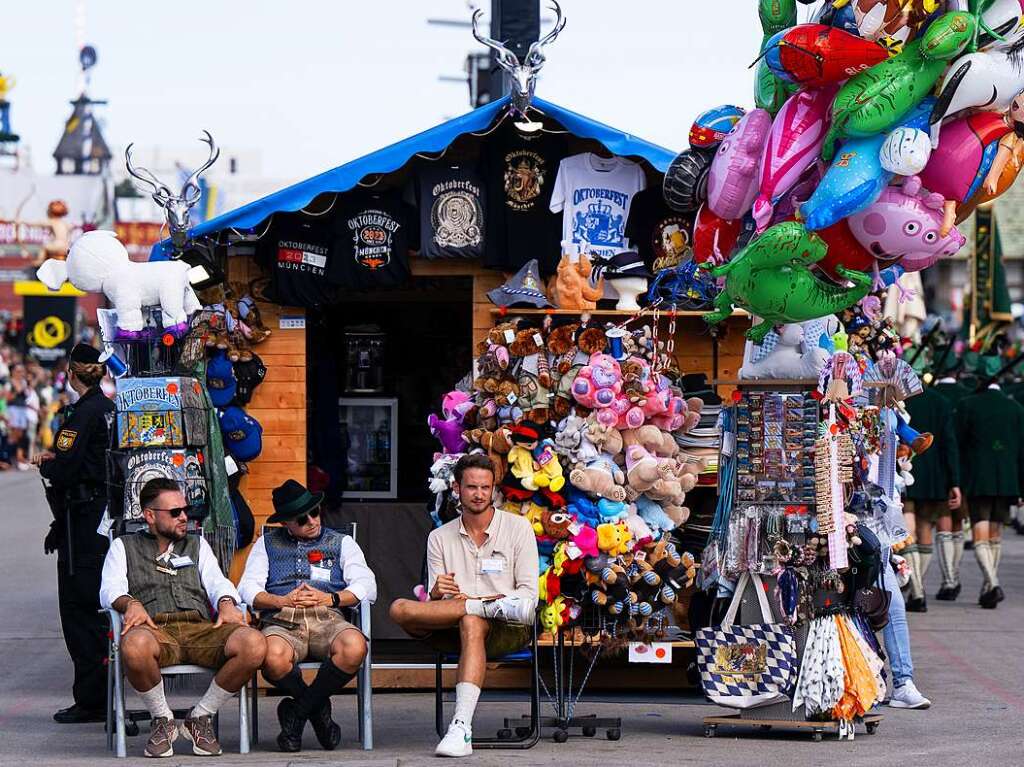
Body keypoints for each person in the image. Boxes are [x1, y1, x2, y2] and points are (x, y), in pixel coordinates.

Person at [99, 478, 267, 758]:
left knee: (254, 643)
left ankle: (200, 717)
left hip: (200, 629)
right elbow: (110, 589)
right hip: (155, 630)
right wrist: (130, 603)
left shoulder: (197, 545)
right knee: (133, 645)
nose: (184, 517)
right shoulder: (124, 547)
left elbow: (217, 582)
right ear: (150, 516)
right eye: (175, 512)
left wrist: (226, 602)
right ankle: (162, 719)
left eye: (185, 510)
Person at [389, 453, 539, 758]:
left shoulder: (518, 528)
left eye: (485, 487)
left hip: (507, 624)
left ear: (494, 488)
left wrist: (472, 606)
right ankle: (479, 608)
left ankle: (461, 726)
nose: (479, 494)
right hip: (453, 621)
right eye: (472, 487)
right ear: (457, 488)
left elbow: (528, 597)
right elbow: (441, 604)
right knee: (398, 609)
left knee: (471, 621)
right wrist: (435, 593)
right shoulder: (439, 537)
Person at [238, 479, 376, 753]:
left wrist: (330, 598)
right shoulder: (267, 544)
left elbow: (367, 585)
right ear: (286, 522)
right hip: (282, 620)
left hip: (328, 616)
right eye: (302, 519)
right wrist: (280, 600)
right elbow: (247, 588)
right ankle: (317, 709)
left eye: (315, 512)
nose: (312, 521)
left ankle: (298, 713)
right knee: (272, 658)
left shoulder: (342, 542)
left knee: (355, 647)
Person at [34, 343, 114, 723]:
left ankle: (93, 698)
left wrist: (49, 464)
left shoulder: (83, 413)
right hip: (99, 516)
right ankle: (100, 694)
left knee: (80, 609)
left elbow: (66, 469)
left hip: (84, 520)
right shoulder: (107, 409)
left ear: (72, 372)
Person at [955, 365, 1024, 608]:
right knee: (995, 536)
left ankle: (992, 583)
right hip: (1006, 481)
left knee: (980, 534)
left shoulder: (968, 405)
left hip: (978, 479)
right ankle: (988, 586)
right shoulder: (1016, 409)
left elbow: (959, 447)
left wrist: (957, 481)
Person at [903, 383, 962, 608]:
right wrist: (954, 481)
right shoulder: (941, 403)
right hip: (935, 477)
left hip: (906, 470)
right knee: (926, 528)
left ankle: (917, 591)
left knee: (909, 532)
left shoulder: (901, 401)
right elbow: (949, 444)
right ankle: (918, 587)